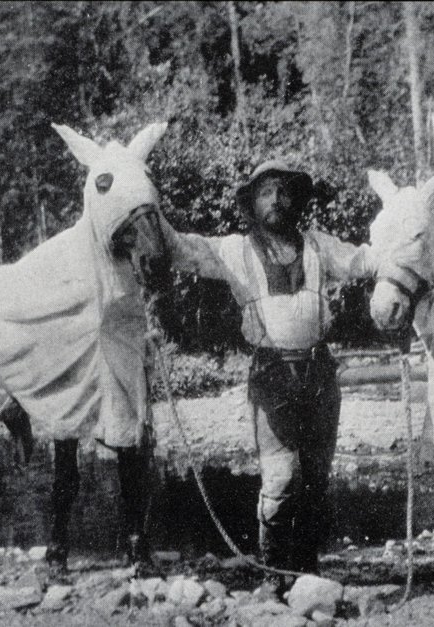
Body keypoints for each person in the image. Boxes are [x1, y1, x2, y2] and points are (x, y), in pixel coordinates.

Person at [158, 160, 376, 591]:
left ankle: (308, 572)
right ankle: (275, 574)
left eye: (284, 191)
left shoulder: (318, 246)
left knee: (316, 477)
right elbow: (180, 248)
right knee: (280, 479)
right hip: (271, 375)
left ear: (297, 200)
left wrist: (408, 243)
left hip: (319, 373)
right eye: (265, 192)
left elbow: (364, 262)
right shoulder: (234, 251)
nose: (276, 200)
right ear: (252, 204)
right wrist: (143, 208)